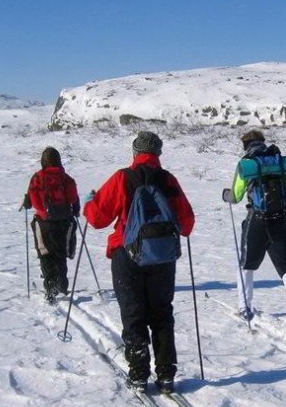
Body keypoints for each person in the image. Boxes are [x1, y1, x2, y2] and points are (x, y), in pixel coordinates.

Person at [83, 131, 195, 393]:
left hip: (127, 253)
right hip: (163, 256)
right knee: (161, 313)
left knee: (133, 313)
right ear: (158, 153)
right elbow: (187, 223)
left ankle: (138, 374)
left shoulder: (123, 177)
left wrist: (89, 203)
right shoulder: (168, 180)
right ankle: (166, 374)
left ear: (134, 152)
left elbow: (98, 218)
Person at [222, 129, 286, 333]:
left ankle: (244, 307)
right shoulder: (278, 161)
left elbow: (236, 195)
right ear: (262, 142)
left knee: (247, 264)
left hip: (258, 220)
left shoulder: (247, 164)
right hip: (281, 219)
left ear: (246, 145)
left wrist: (226, 195)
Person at [22, 147, 80, 304]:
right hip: (64, 221)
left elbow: (32, 198)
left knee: (46, 254)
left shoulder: (37, 178)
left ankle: (50, 287)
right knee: (60, 253)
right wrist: (75, 210)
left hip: (44, 222)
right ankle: (62, 284)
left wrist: (28, 203)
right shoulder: (65, 178)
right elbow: (73, 197)